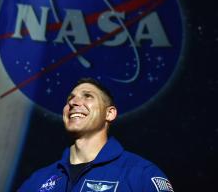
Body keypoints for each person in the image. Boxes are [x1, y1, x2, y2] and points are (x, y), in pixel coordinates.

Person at [19, 78, 174, 192]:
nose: (73, 103)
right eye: (70, 99)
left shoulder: (140, 174)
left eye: (87, 96)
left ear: (110, 113)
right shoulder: (37, 181)